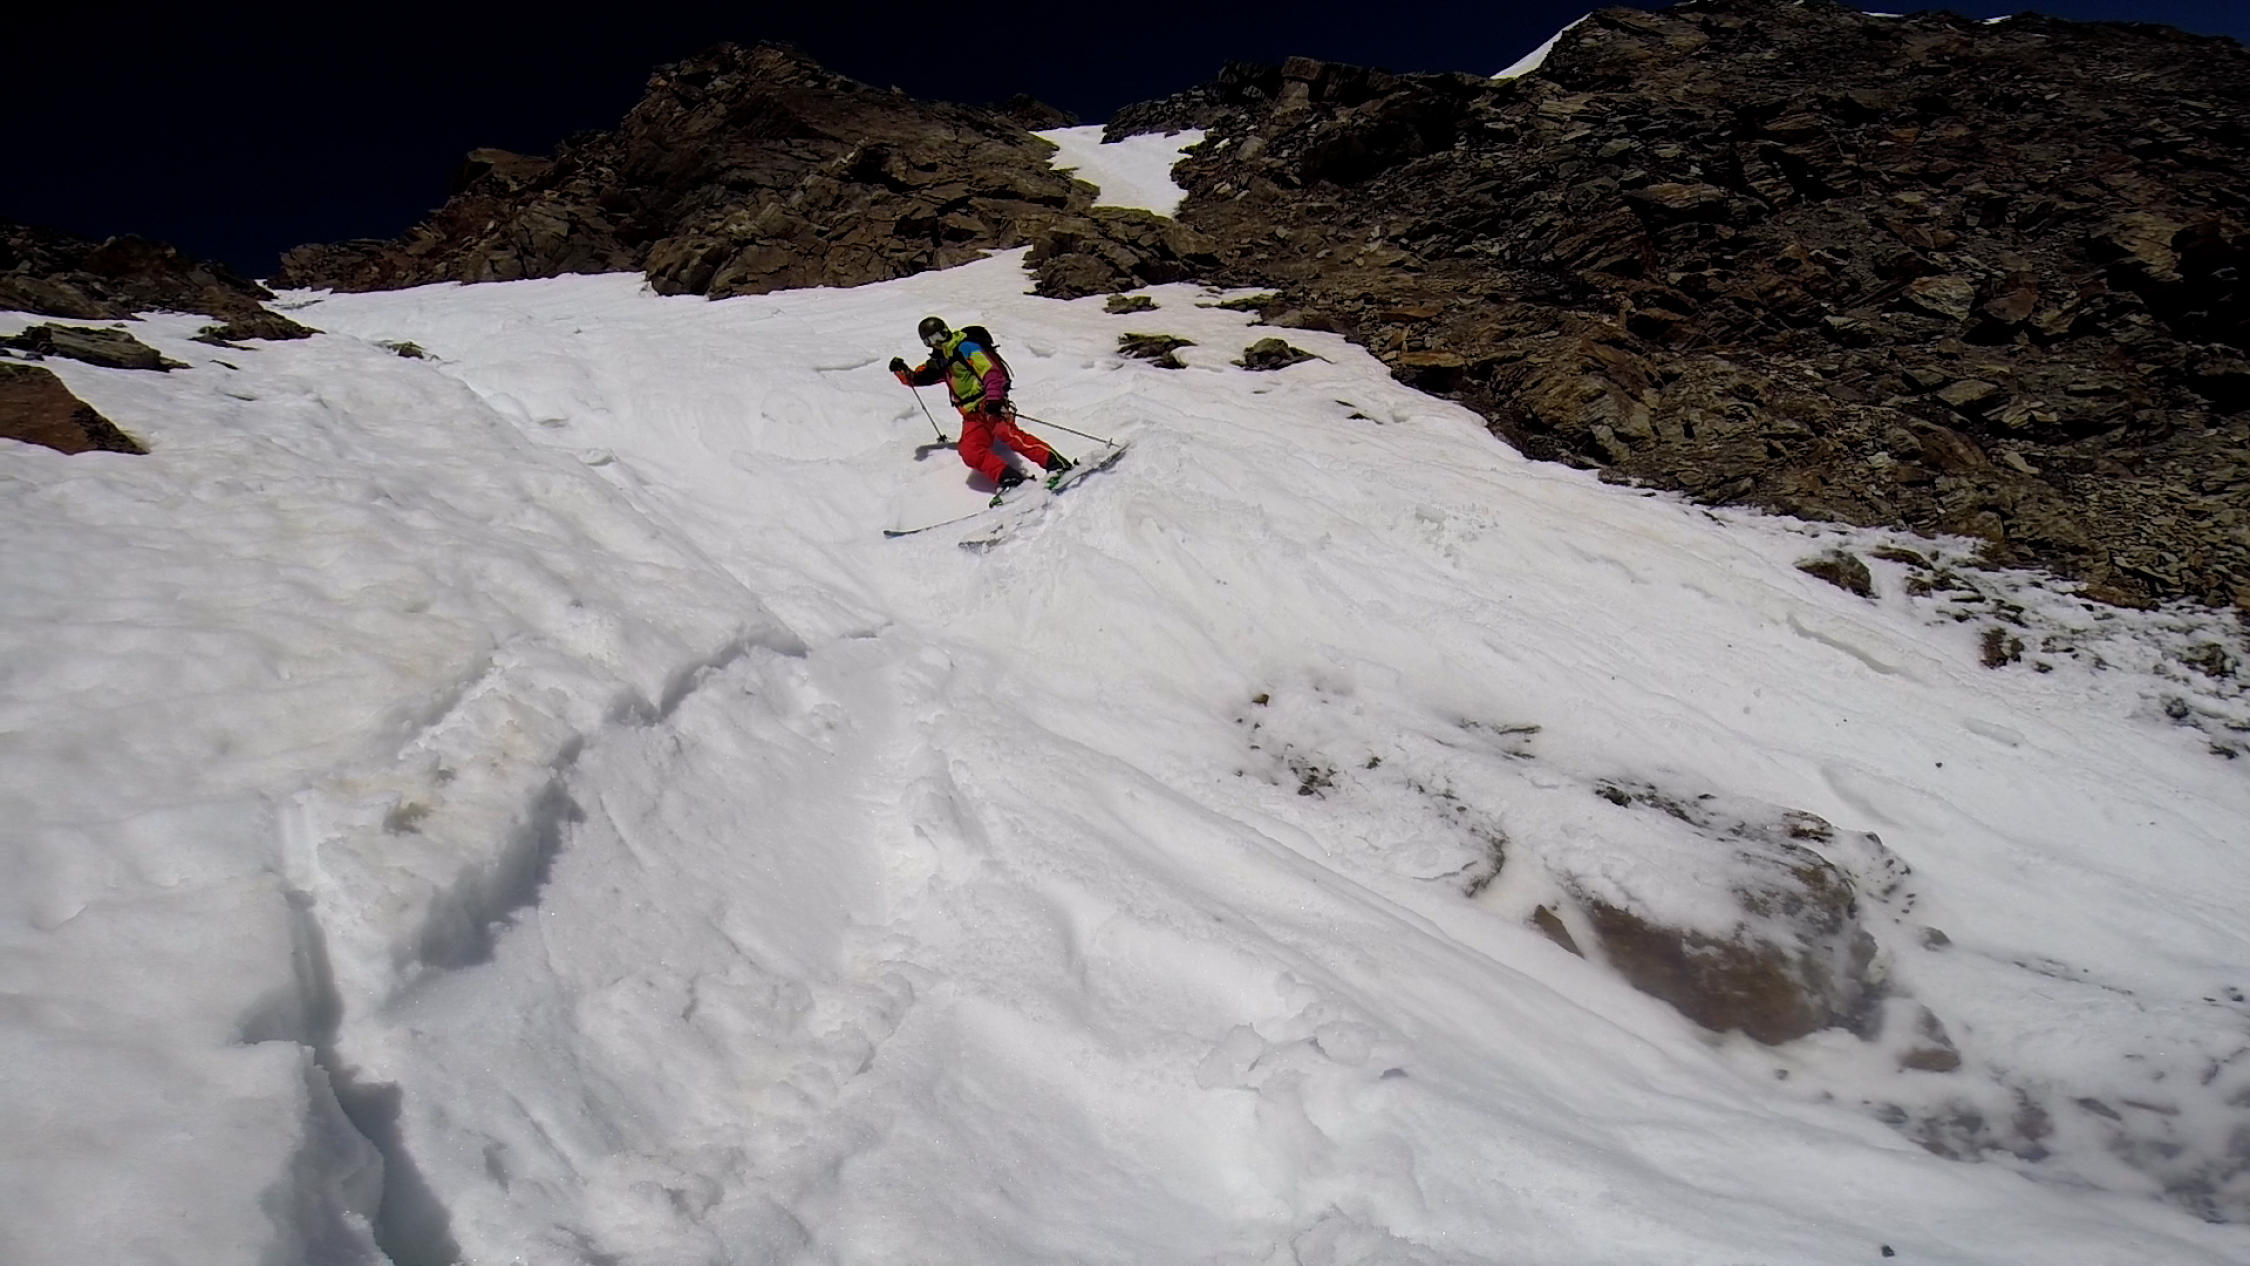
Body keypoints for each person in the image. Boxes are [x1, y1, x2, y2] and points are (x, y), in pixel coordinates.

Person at [892, 316, 1070, 491]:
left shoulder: (965, 347)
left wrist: (994, 399)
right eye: (929, 341)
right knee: (970, 450)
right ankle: (1011, 479)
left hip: (989, 404)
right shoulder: (940, 361)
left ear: (945, 331)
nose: (935, 343)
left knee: (1009, 434)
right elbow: (917, 379)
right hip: (972, 415)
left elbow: (990, 372)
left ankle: (1057, 465)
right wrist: (901, 371)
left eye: (937, 337)